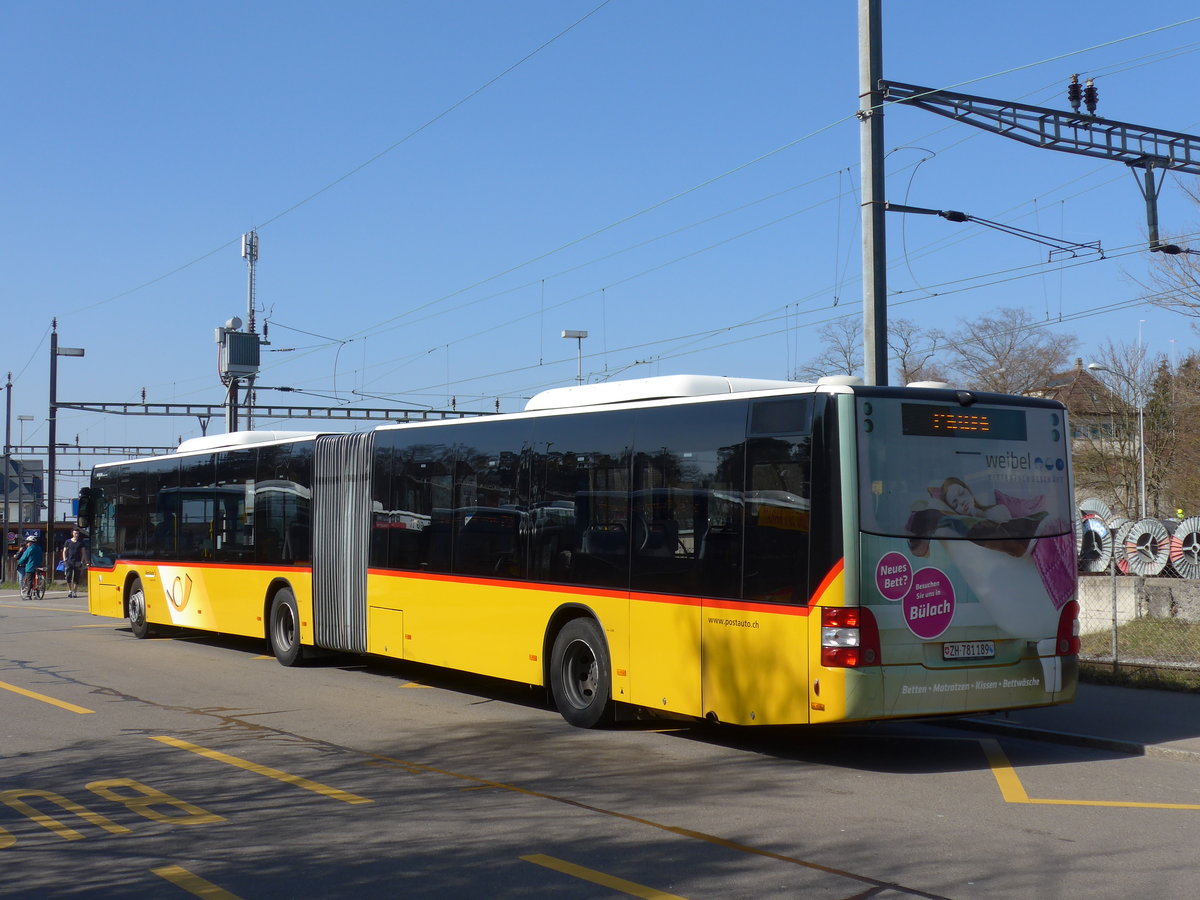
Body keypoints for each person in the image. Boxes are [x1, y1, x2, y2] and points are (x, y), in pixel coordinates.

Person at [62, 528, 89, 598]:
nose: (76, 535)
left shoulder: (81, 542)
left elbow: (83, 552)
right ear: (72, 533)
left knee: (76, 577)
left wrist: (83, 561)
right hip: (69, 561)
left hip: (77, 561)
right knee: (68, 576)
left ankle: (75, 591)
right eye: (75, 533)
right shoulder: (68, 541)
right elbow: (64, 551)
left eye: (77, 533)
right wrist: (65, 559)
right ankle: (70, 590)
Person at [16, 535, 44, 601]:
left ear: (30, 542)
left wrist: (19, 562)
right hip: (39, 566)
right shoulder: (39, 548)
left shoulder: (30, 548)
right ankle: (36, 593)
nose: (27, 544)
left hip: (30, 566)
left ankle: (28, 594)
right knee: (37, 578)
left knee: (29, 580)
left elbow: (24, 557)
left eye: (27, 542)